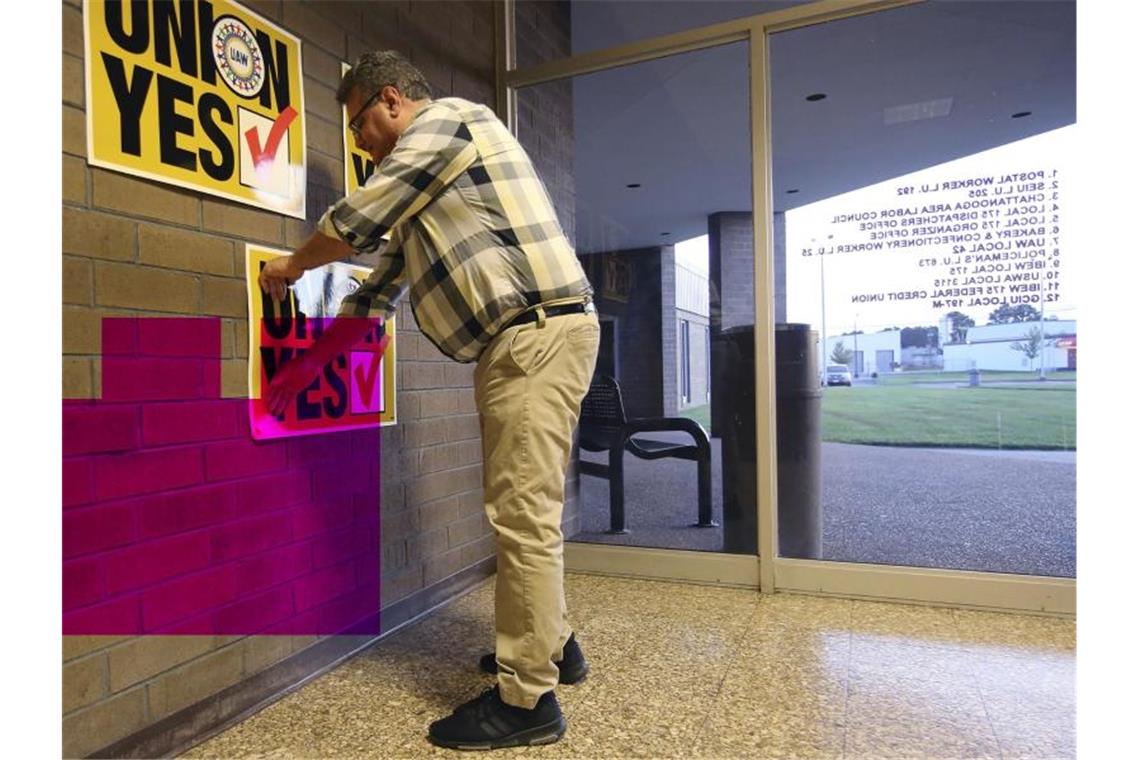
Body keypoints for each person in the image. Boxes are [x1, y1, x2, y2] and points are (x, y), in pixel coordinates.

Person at [258, 51, 599, 751]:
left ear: (389, 101)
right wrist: (297, 375)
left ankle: (527, 701)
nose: (358, 143)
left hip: (534, 337)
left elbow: (357, 217)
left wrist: (292, 265)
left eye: (357, 126)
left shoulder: (449, 122)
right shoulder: (424, 197)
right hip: (526, 342)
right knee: (523, 510)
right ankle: (553, 648)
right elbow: (372, 296)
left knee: (521, 517)